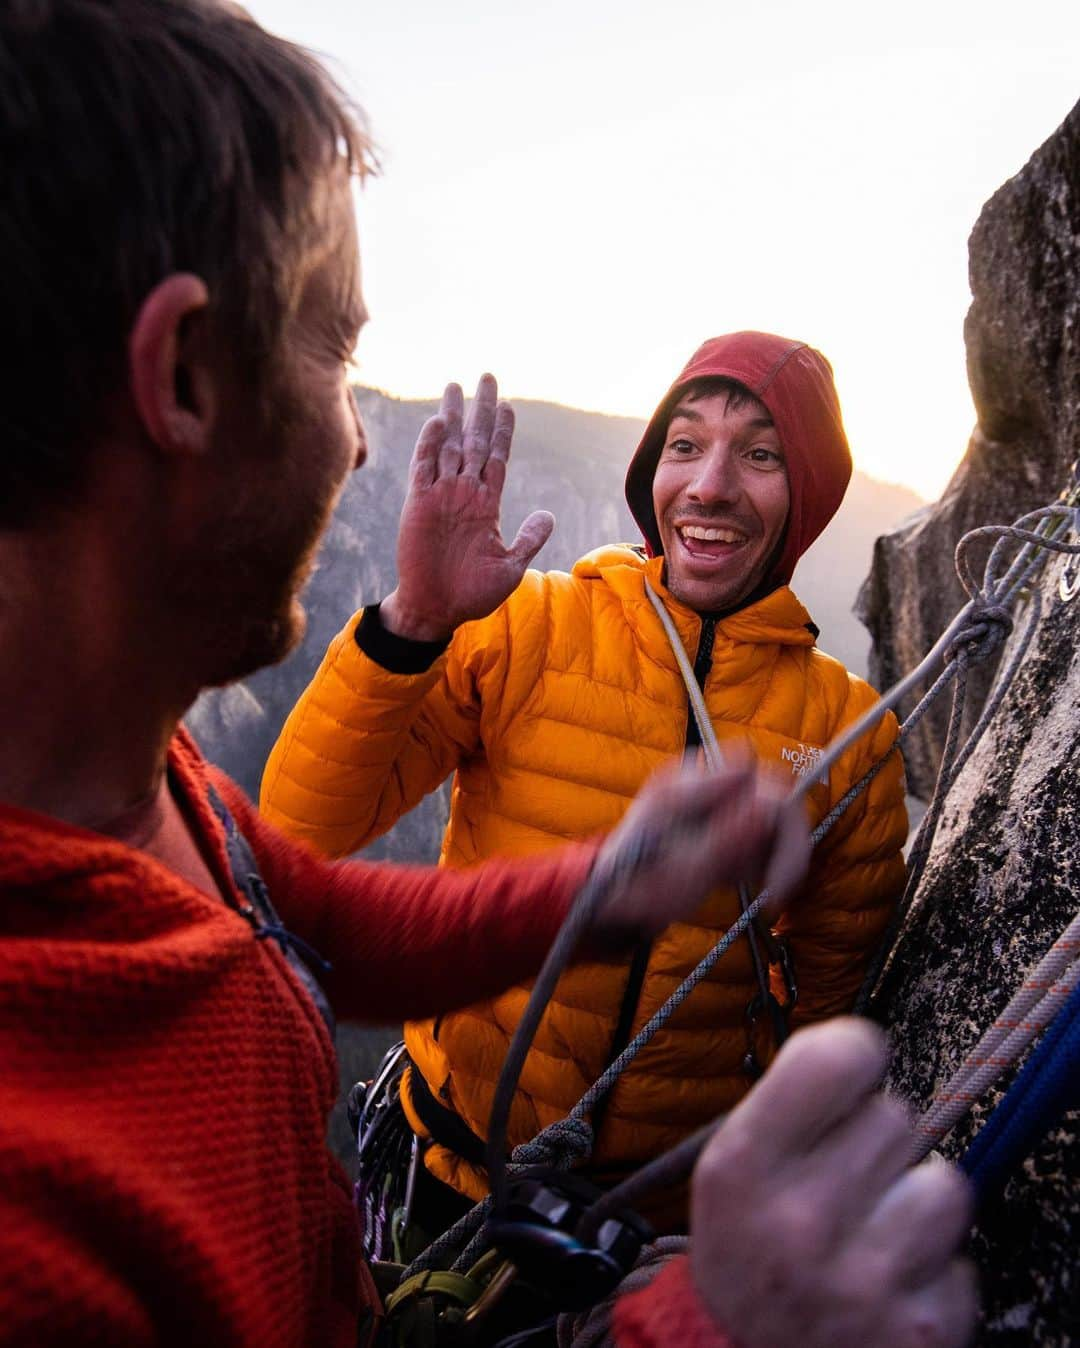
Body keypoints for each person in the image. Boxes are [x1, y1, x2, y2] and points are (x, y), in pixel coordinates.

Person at [0, 3, 974, 1345]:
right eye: (337, 347)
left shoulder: (138, 785)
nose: (360, 446)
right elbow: (314, 816)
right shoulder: (41, 1227)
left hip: (648, 1185)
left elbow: (308, 913)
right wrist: (702, 1324)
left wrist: (600, 888)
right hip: (464, 1168)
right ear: (179, 371)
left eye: (760, 456)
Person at [261, 348, 909, 1216]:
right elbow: (297, 838)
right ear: (651, 473)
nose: (710, 486)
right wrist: (412, 622)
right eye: (685, 445)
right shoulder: (525, 626)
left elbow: (825, 1012)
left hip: (653, 1218)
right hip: (450, 1174)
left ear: (810, 496)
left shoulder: (848, 733)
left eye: (761, 455)